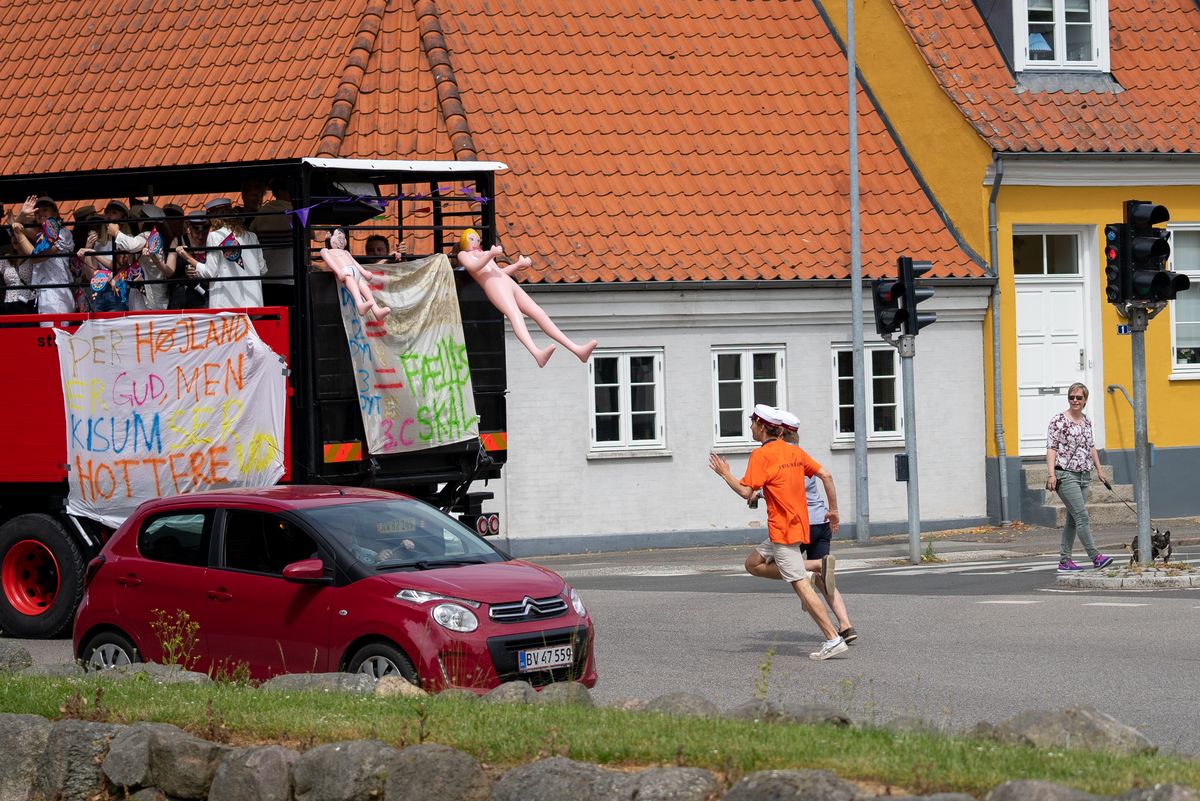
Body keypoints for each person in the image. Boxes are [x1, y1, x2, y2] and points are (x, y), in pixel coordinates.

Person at [709, 404, 849, 661]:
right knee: (752, 563)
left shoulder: (761, 455)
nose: (750, 427)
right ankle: (810, 568)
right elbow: (826, 475)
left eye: (752, 422)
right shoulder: (793, 451)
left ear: (762, 426)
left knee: (801, 586)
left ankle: (833, 638)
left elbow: (745, 491)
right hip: (797, 527)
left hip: (783, 531)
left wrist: (724, 473)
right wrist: (834, 510)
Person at [456, 228, 596, 367]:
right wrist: (490, 254)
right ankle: (536, 352)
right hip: (494, 286)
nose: (476, 242)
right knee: (515, 314)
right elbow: (473, 267)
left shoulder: (484, 254)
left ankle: (576, 349)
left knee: (537, 311)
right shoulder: (464, 255)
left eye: (478, 240)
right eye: (472, 239)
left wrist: (518, 265)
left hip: (505, 281)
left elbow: (499, 272)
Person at [777, 409, 856, 644]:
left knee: (776, 564)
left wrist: (758, 494)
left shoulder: (785, 460)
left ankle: (811, 567)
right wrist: (834, 511)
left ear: (779, 433)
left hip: (800, 524)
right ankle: (846, 625)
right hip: (821, 521)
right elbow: (826, 477)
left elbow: (785, 489)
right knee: (825, 579)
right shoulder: (805, 457)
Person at [1046, 383, 1113, 572]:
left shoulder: (1086, 421)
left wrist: (1099, 470)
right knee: (1082, 516)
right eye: (1071, 397)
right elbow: (1052, 448)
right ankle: (1096, 557)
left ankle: (1064, 561)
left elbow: (1091, 446)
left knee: (1073, 520)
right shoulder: (1058, 420)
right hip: (1065, 475)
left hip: (1084, 475)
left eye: (1078, 398)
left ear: (1085, 400)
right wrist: (1051, 474)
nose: (1075, 400)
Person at [9, 196, 76, 314]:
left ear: (55, 213)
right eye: (37, 211)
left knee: (53, 332)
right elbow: (16, 227)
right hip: (46, 293)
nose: (40, 213)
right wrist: (23, 214)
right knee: (50, 332)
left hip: (56, 293)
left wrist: (20, 235)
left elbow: (36, 257)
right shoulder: (41, 235)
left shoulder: (61, 233)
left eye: (45, 209)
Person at [197, 199, 267, 308]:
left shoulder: (214, 236)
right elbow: (263, 269)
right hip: (253, 303)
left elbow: (210, 273)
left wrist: (189, 259)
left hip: (225, 304)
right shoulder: (252, 237)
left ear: (213, 218)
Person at [250, 177, 294, 306]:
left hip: (266, 279)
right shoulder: (295, 211)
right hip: (289, 277)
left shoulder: (262, 212)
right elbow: (311, 234)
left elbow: (251, 234)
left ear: (274, 193)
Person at [165, 211, 210, 309]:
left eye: (204, 232)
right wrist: (155, 259)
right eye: (197, 232)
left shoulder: (212, 240)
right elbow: (169, 272)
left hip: (206, 295)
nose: (201, 236)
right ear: (188, 226)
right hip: (182, 297)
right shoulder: (178, 241)